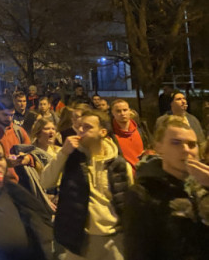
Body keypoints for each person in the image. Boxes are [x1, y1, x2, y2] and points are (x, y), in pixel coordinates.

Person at [40, 110, 132, 260]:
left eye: (87, 127)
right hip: (80, 239)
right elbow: (45, 181)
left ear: (102, 132)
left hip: (114, 240)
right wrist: (63, 152)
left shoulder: (119, 165)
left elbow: (128, 202)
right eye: (80, 127)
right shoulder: (71, 158)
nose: (81, 131)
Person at [124, 115, 209, 260]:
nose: (186, 150)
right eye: (176, 143)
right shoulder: (144, 193)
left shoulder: (201, 187)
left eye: (192, 144)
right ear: (158, 147)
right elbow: (137, 252)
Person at [0, 94, 33, 182]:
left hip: (20, 183)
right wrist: (4, 162)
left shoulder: (19, 131)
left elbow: (32, 152)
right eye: (5, 115)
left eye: (11, 115)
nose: (9, 119)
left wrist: (27, 158)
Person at [109, 99, 151, 171]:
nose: (122, 113)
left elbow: (150, 148)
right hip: (125, 175)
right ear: (112, 112)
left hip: (143, 173)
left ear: (129, 111)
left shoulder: (141, 128)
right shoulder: (110, 133)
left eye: (125, 110)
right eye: (118, 111)